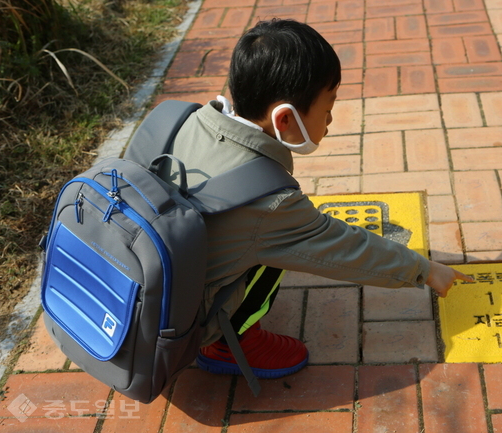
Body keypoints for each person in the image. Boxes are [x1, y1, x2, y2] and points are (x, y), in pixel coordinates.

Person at [162, 18, 472, 380]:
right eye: (327, 109)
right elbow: (342, 249)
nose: (330, 121)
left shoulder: (188, 119)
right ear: (286, 119)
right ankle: (230, 344)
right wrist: (426, 270)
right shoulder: (269, 203)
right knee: (280, 245)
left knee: (265, 238)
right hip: (181, 323)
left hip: (154, 281)